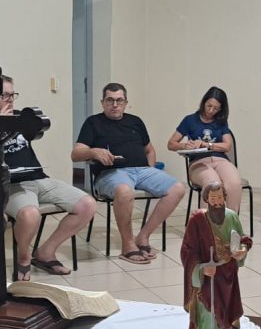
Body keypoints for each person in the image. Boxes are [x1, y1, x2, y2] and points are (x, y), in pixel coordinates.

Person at [0, 76, 96, 279]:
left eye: (12, 95)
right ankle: (23, 258)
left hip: (38, 177)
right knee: (30, 215)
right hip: (8, 185)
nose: (9, 100)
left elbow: (39, 126)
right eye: (4, 95)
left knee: (87, 204)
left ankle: (46, 252)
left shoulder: (19, 118)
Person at [72, 83, 185, 264]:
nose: (115, 105)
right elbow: (76, 154)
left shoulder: (135, 121)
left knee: (177, 188)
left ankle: (143, 237)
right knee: (124, 191)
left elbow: (150, 150)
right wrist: (93, 152)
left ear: (125, 102)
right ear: (102, 102)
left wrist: (150, 168)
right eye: (110, 100)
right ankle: (128, 245)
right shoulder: (93, 123)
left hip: (142, 170)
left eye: (119, 100)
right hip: (111, 173)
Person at [181, 182, 251, 329]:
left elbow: (243, 239)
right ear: (206, 199)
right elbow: (188, 250)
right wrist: (201, 268)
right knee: (207, 311)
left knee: (225, 310)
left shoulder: (232, 216)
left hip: (227, 273)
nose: (217, 202)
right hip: (207, 276)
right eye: (213, 198)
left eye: (220, 197)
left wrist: (242, 250)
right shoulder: (197, 220)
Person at [166, 86, 244, 212]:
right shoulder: (189, 120)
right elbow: (171, 144)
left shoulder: (221, 122)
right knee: (213, 184)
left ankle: (231, 222)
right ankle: (208, 223)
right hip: (199, 163)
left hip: (220, 160)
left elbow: (227, 146)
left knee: (234, 184)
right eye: (209, 106)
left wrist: (207, 145)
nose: (211, 110)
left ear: (221, 109)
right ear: (203, 102)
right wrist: (185, 145)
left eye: (216, 108)